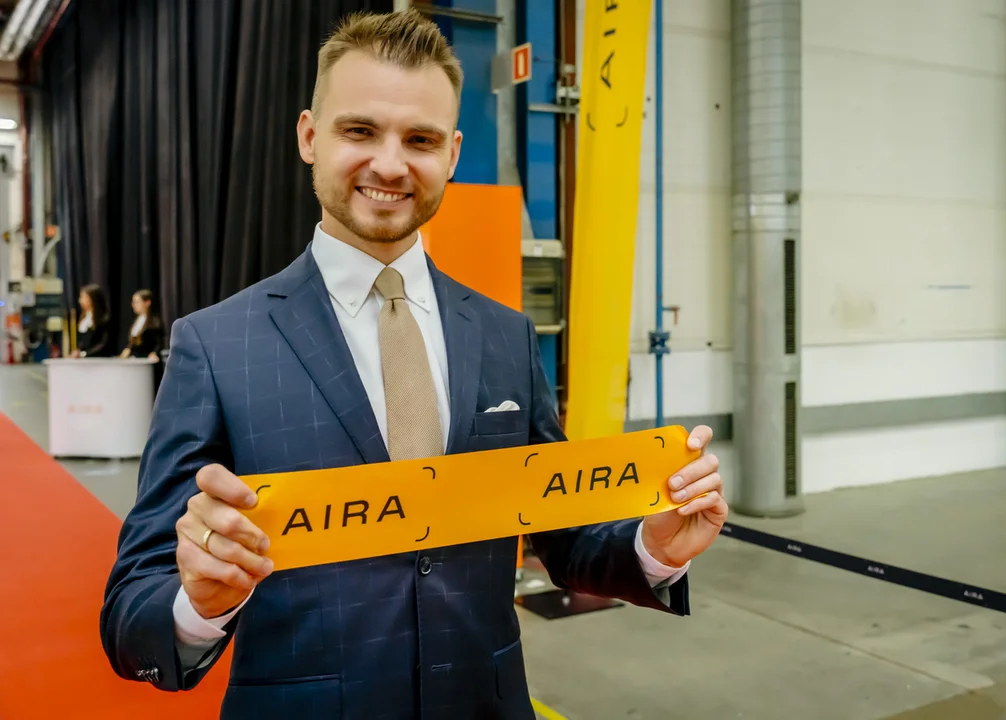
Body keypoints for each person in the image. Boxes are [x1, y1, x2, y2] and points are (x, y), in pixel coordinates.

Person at [99, 10, 727, 719]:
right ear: (309, 136)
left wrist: (653, 546)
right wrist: (196, 604)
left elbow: (564, 538)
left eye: (420, 140)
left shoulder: (503, 337)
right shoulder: (216, 346)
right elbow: (132, 609)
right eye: (359, 131)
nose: (391, 164)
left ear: (452, 154)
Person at [119, 289, 163, 361]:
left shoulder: (154, 322)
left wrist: (154, 353)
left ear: (147, 303)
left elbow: (159, 342)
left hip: (146, 360)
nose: (133, 305)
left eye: (137, 302)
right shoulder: (136, 321)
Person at [71, 283, 110, 358]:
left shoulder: (103, 320)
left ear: (92, 298)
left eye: (83, 297)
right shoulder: (84, 319)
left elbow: (104, 344)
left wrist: (85, 354)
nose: (80, 301)